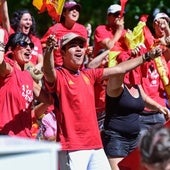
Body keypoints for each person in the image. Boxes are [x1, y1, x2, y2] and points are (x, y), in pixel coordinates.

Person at [43, 31, 163, 170]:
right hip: (73, 147)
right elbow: (48, 71)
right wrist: (49, 51)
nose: (79, 49)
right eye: (73, 45)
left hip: (96, 146)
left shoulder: (89, 74)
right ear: (62, 53)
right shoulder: (59, 76)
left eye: (81, 46)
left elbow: (119, 69)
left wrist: (147, 56)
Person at [102, 58, 170, 170]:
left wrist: (159, 107)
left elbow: (145, 100)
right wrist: (137, 57)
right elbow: (120, 71)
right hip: (117, 140)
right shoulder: (115, 86)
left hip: (134, 138)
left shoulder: (136, 86)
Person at [0, 31, 52, 137]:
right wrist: (1, 34)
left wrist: (49, 51)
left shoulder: (28, 77)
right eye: (24, 44)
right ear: (11, 49)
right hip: (5, 136)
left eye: (31, 45)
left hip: (25, 138)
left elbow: (48, 100)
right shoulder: (9, 69)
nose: (29, 48)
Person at [139, 12, 170, 137]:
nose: (162, 24)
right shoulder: (148, 43)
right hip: (144, 110)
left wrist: (167, 29)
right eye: (159, 22)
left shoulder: (166, 47)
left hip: (163, 108)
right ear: (153, 25)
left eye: (165, 21)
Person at [1, 1, 44, 82]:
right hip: (16, 75)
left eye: (30, 20)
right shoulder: (13, 35)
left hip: (33, 77)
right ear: (18, 21)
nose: (28, 22)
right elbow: (5, 19)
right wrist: (3, 2)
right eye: (25, 19)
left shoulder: (36, 40)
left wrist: (37, 68)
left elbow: (41, 60)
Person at [41, 0, 88, 67]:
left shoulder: (82, 29)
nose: (75, 11)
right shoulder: (54, 29)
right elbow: (42, 46)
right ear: (64, 13)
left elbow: (85, 48)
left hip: (78, 69)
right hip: (59, 68)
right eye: (71, 9)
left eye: (77, 10)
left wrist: (88, 50)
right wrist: (50, 48)